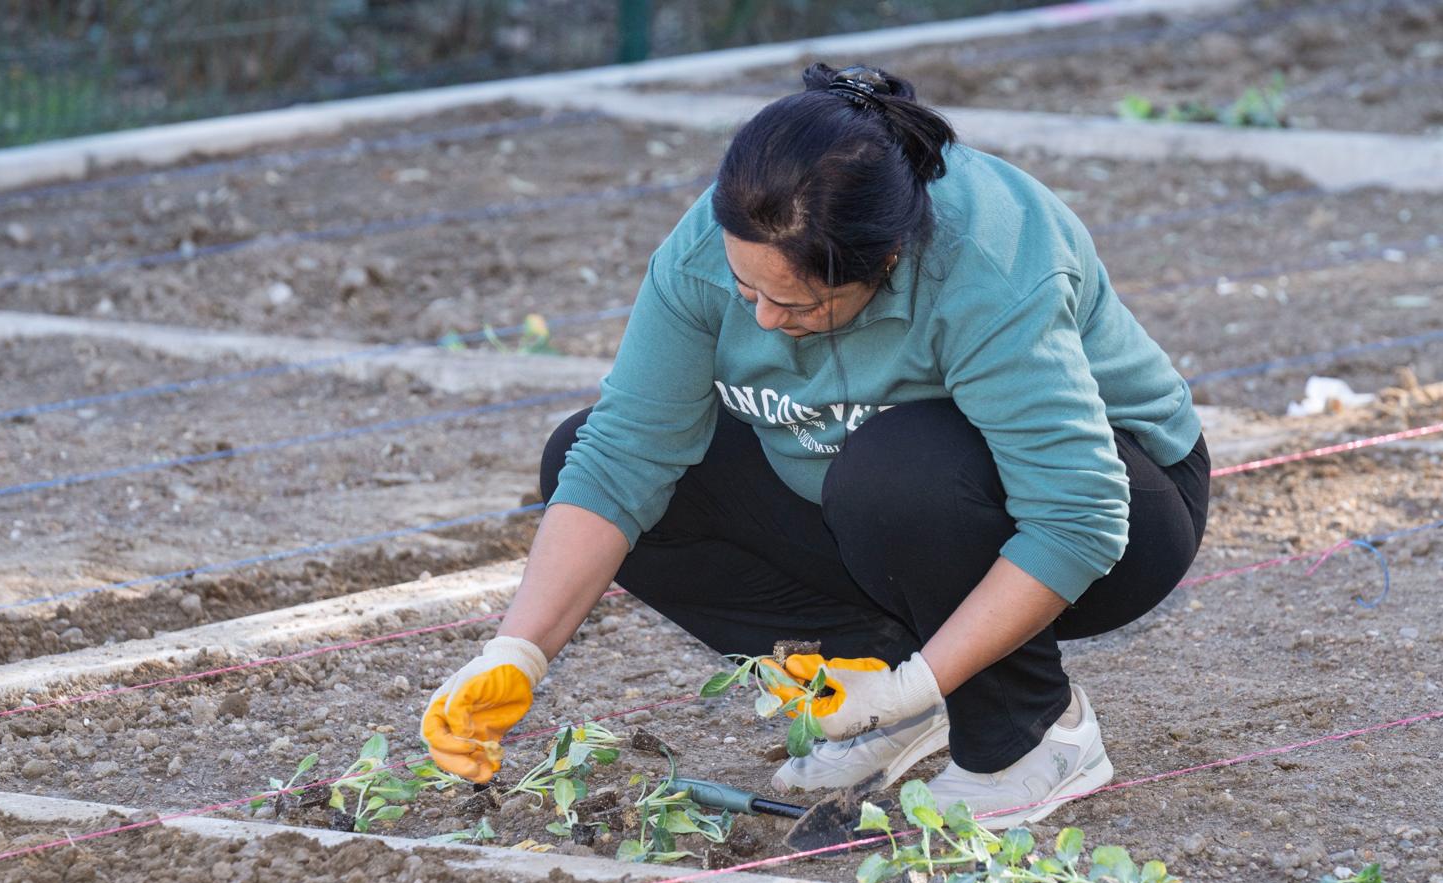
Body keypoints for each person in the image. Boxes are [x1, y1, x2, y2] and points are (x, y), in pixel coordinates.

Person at [421, 63, 1209, 830]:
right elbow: (622, 458)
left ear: (886, 264)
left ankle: (1031, 733)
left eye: (797, 304)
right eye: (746, 290)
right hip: (864, 489)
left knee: (900, 472)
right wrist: (517, 651)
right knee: (582, 453)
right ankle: (874, 693)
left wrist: (920, 682)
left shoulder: (986, 262)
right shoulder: (720, 243)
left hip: (1122, 506)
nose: (762, 319)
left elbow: (1078, 516)